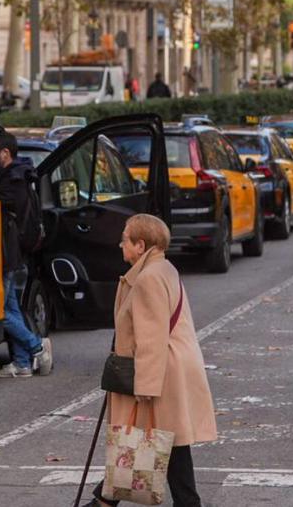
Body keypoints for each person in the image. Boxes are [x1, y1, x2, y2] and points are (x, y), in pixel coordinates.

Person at [85, 214, 217, 507]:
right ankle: (107, 501)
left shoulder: (147, 279)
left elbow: (152, 337)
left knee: (144, 440)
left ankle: (105, 502)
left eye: (125, 239)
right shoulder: (163, 268)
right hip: (170, 368)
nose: (120, 245)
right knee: (164, 442)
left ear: (140, 245)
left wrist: (144, 386)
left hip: (158, 372)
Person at [0, 132, 53, 378]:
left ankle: (37, 346)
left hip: (8, 255)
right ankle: (22, 363)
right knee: (12, 309)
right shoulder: (22, 175)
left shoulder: (10, 182)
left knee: (0, 312)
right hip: (17, 256)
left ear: (5, 153)